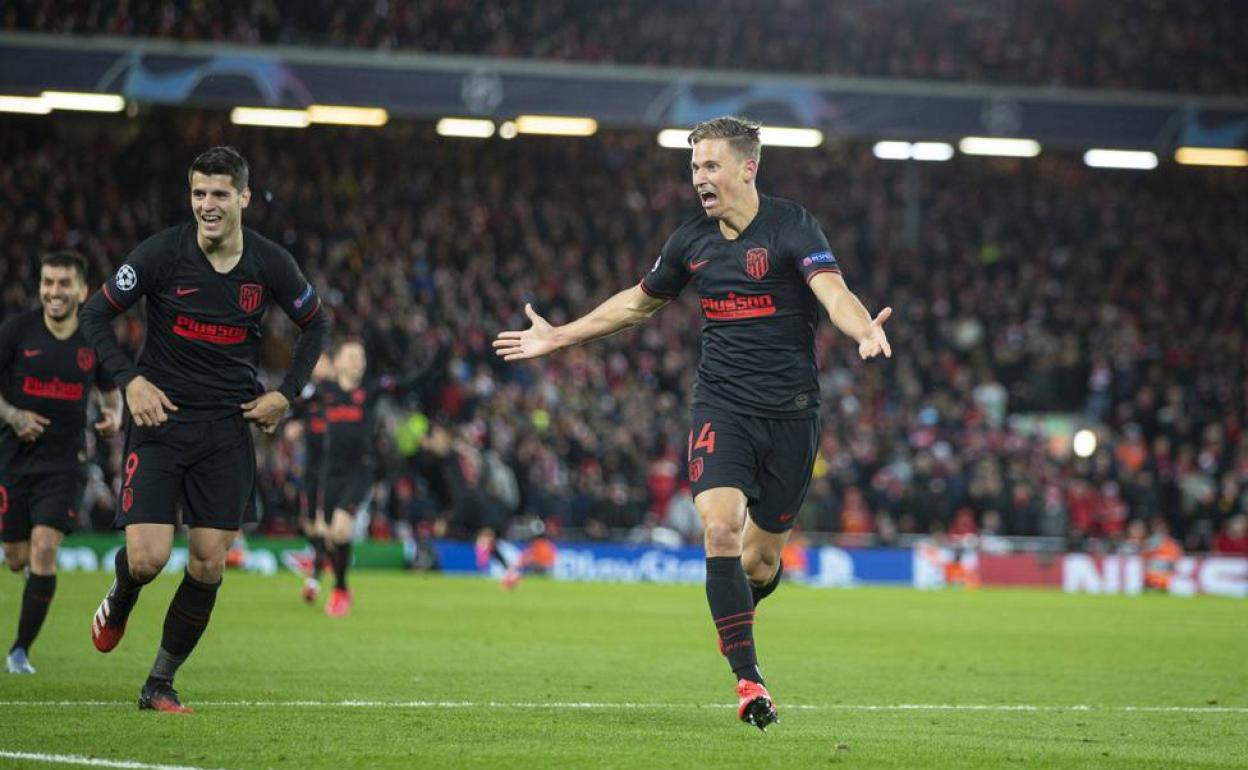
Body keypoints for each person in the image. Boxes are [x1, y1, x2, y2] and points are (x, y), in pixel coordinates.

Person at [493, 116, 891, 730]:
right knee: (721, 529)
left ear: (747, 168)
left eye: (710, 165)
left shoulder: (792, 226)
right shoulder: (690, 242)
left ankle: (731, 617)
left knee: (759, 566)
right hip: (721, 408)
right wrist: (560, 336)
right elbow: (636, 304)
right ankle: (749, 680)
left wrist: (862, 327)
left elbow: (832, 291)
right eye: (694, 167)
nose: (699, 177)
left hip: (791, 417)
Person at [79, 146, 329, 712]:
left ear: (243, 197)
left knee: (209, 561)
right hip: (160, 420)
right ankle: (123, 591)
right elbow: (94, 314)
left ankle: (159, 683)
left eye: (219, 194)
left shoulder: (269, 263)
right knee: (147, 559)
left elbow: (317, 324)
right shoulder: (161, 253)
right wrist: (130, 382)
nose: (207, 205)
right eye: (198, 194)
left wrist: (285, 394)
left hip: (226, 429)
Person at [0, 251, 122, 674]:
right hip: (13, 459)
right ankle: (32, 580)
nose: (54, 291)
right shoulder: (17, 331)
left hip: (65, 463)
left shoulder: (94, 338)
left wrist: (114, 415)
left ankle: (19, 651)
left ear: (81, 290)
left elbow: (111, 391)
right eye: (48, 282)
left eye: (63, 283)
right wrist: (14, 416)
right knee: (16, 557)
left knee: (44, 548)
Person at [317, 340, 443, 616]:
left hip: (360, 470)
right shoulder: (324, 391)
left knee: (341, 529)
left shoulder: (371, 390)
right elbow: (297, 407)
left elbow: (408, 383)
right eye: (351, 356)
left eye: (360, 357)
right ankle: (336, 582)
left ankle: (340, 589)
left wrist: (436, 362)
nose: (357, 361)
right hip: (330, 473)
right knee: (329, 537)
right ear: (338, 363)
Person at [288, 352, 334, 604]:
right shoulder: (308, 394)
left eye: (323, 362)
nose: (319, 366)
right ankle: (324, 559)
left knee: (321, 522)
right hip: (311, 467)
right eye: (316, 362)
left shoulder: (337, 393)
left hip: (330, 468)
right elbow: (291, 417)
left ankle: (315, 576)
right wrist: (291, 427)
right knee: (308, 523)